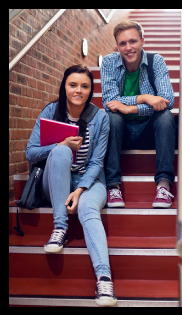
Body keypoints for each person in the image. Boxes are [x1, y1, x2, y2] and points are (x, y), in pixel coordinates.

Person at [25, 65, 116, 306]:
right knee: (62, 152)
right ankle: (60, 227)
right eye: (73, 85)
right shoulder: (50, 110)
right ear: (64, 87)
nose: (78, 90)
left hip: (89, 181)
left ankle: (104, 279)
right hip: (54, 181)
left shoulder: (100, 117)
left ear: (91, 90)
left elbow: (97, 161)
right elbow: (31, 152)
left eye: (85, 86)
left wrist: (80, 190)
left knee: (87, 209)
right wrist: (61, 144)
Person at [101, 20, 176, 208]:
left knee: (166, 116)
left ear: (143, 40)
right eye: (123, 43)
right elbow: (110, 102)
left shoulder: (156, 60)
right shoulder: (109, 62)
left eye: (133, 41)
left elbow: (167, 100)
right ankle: (112, 186)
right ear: (117, 46)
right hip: (121, 131)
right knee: (112, 117)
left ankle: (164, 185)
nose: (128, 48)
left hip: (148, 131)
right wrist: (144, 98)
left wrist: (129, 108)